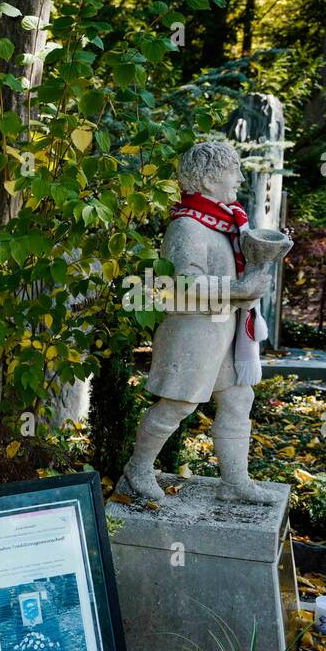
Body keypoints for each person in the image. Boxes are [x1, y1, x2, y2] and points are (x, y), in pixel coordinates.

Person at [120, 140, 289, 505]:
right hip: (192, 331)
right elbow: (183, 282)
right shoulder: (188, 227)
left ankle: (235, 481)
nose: (240, 179)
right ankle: (137, 469)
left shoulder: (226, 223)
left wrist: (252, 278)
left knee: (238, 399)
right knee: (177, 405)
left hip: (223, 330)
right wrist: (239, 287)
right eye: (233, 172)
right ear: (210, 180)